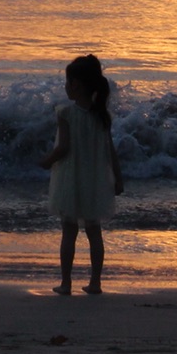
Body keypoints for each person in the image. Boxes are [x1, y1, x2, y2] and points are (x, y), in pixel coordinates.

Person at [38, 53, 123, 295]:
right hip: (95, 180)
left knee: (69, 232)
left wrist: (46, 161)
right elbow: (110, 151)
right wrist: (118, 177)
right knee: (94, 232)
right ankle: (95, 283)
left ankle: (66, 283)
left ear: (75, 85)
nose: (66, 87)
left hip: (70, 179)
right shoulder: (101, 116)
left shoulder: (66, 112)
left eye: (67, 83)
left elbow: (63, 148)